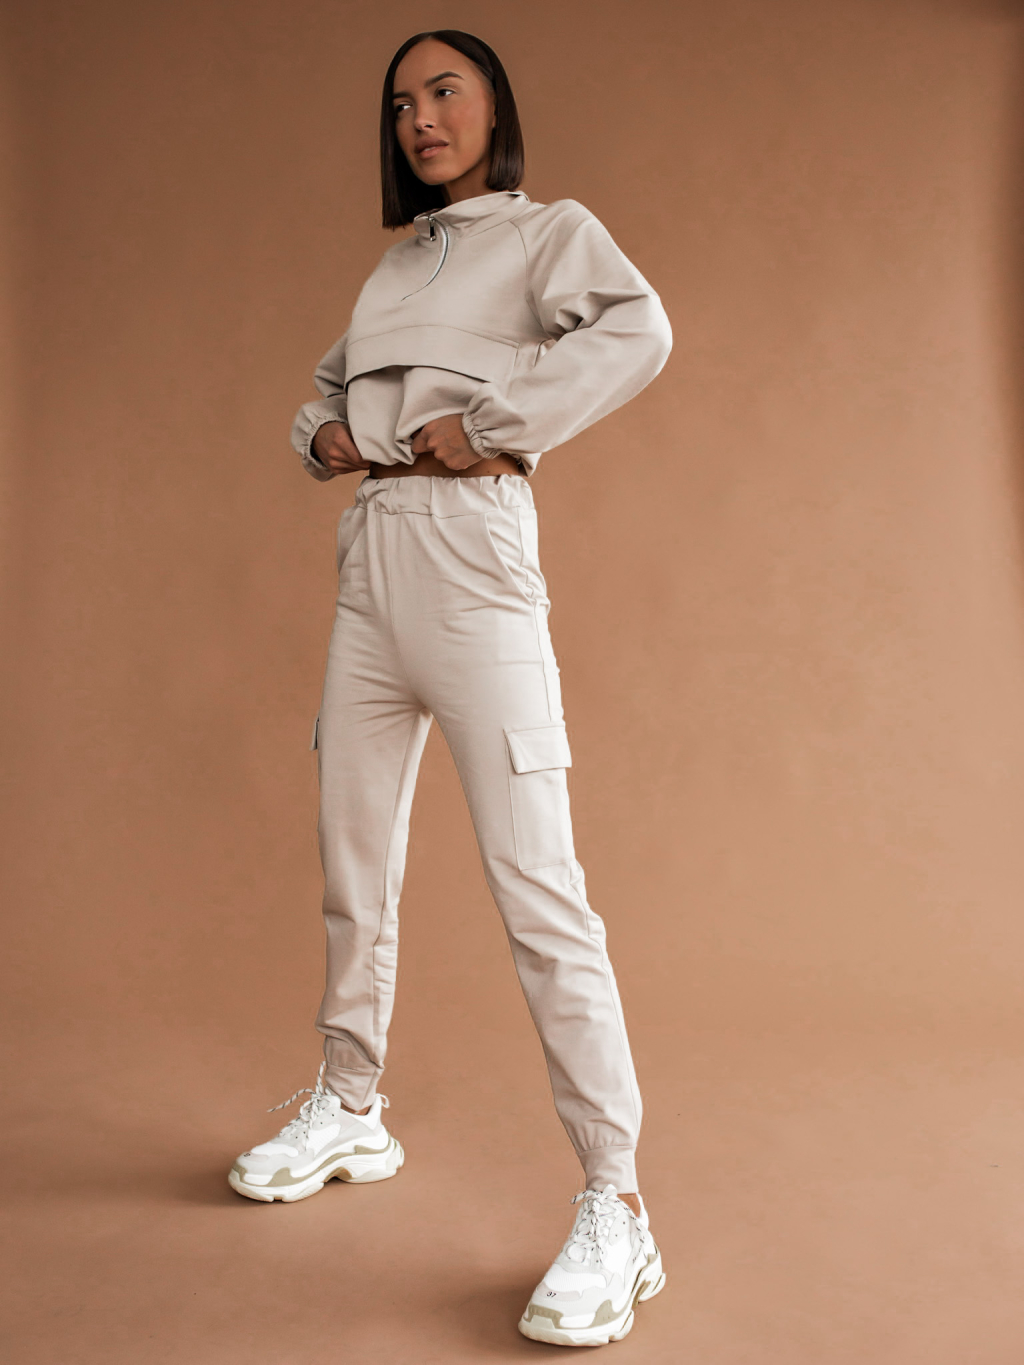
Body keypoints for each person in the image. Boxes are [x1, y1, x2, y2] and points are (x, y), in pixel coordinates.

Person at [227, 29, 673, 1348]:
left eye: (444, 91)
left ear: (494, 107)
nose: (420, 116)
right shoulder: (397, 266)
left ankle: (617, 1201)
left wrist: (486, 426)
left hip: (477, 561)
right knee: (352, 862)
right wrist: (321, 433)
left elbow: (640, 330)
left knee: (540, 887)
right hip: (373, 562)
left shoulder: (547, 235)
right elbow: (328, 390)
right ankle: (351, 1105)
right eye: (400, 103)